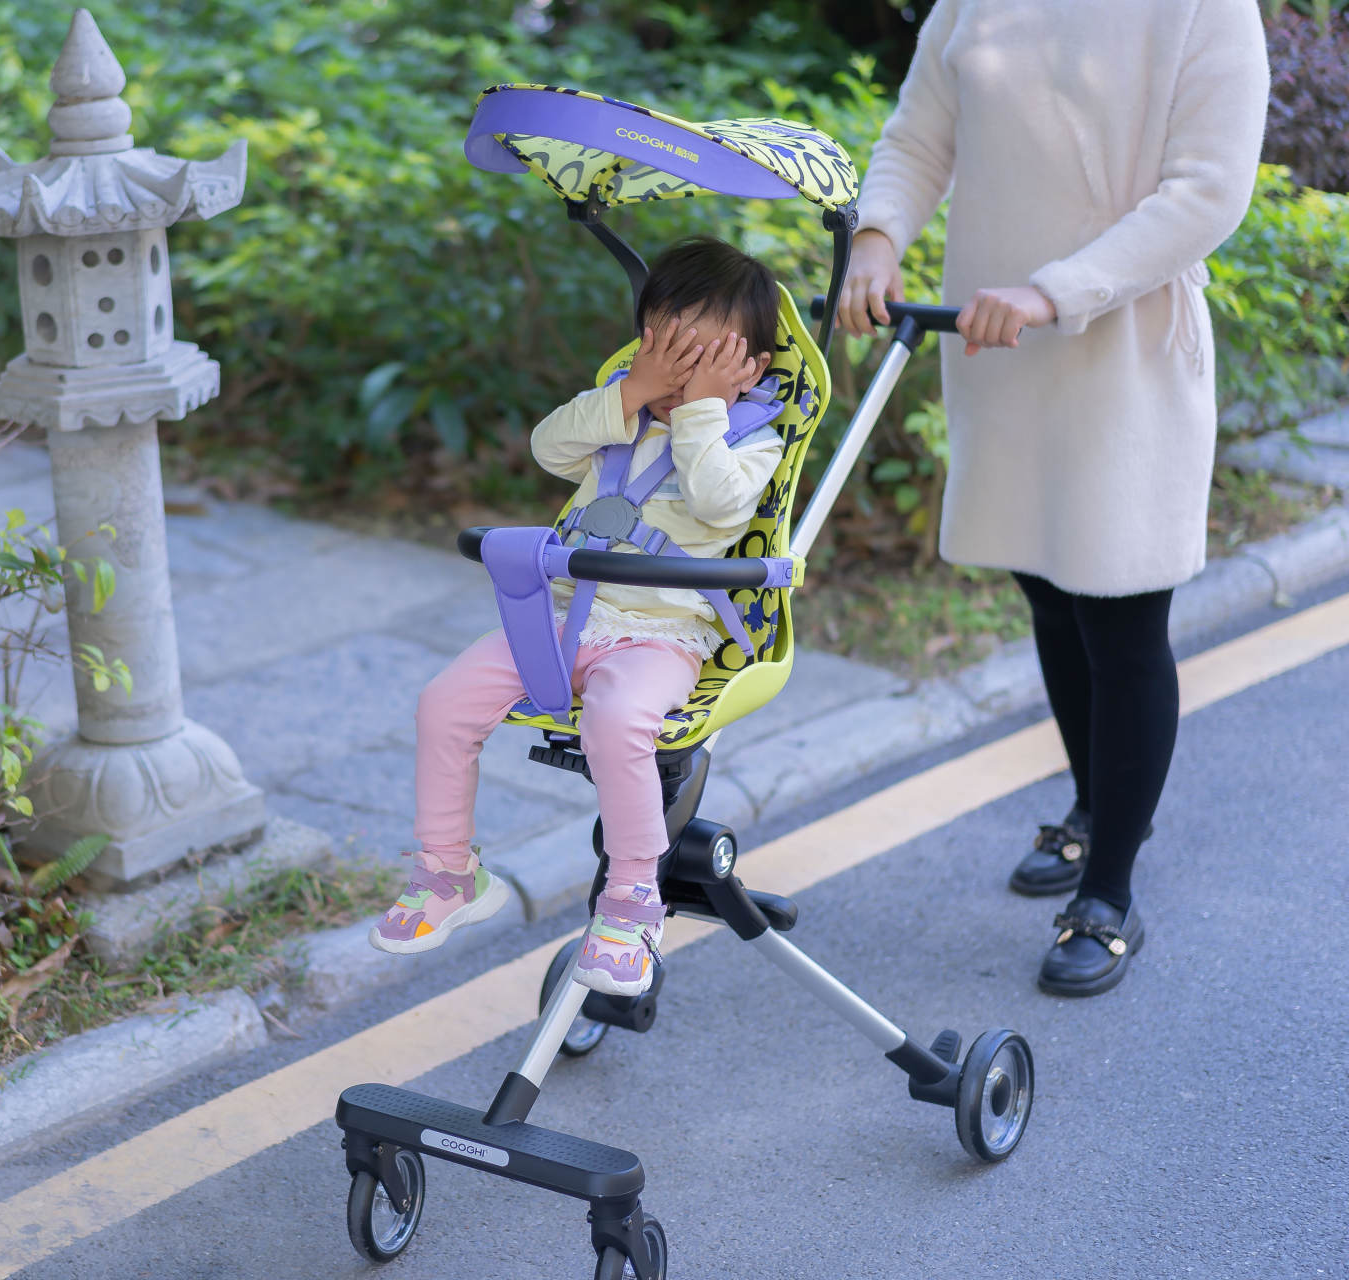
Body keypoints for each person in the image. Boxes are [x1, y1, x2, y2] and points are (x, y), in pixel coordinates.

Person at [836, 0, 1270, 995]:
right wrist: (877, 235)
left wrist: (1056, 289)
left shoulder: (1205, 9)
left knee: (1121, 612)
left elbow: (1208, 193)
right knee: (1048, 586)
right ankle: (1088, 808)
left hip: (1121, 352)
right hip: (999, 346)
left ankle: (1110, 891)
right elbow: (920, 132)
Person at [368, 237, 786, 997]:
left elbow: (719, 504)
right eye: (665, 350)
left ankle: (632, 901)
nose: (677, 378)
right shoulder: (618, 412)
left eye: (703, 363)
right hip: (561, 621)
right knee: (443, 704)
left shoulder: (749, 439)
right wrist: (632, 392)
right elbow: (547, 447)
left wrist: (698, 414)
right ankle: (448, 871)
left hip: (662, 633)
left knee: (619, 719)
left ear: (748, 371)